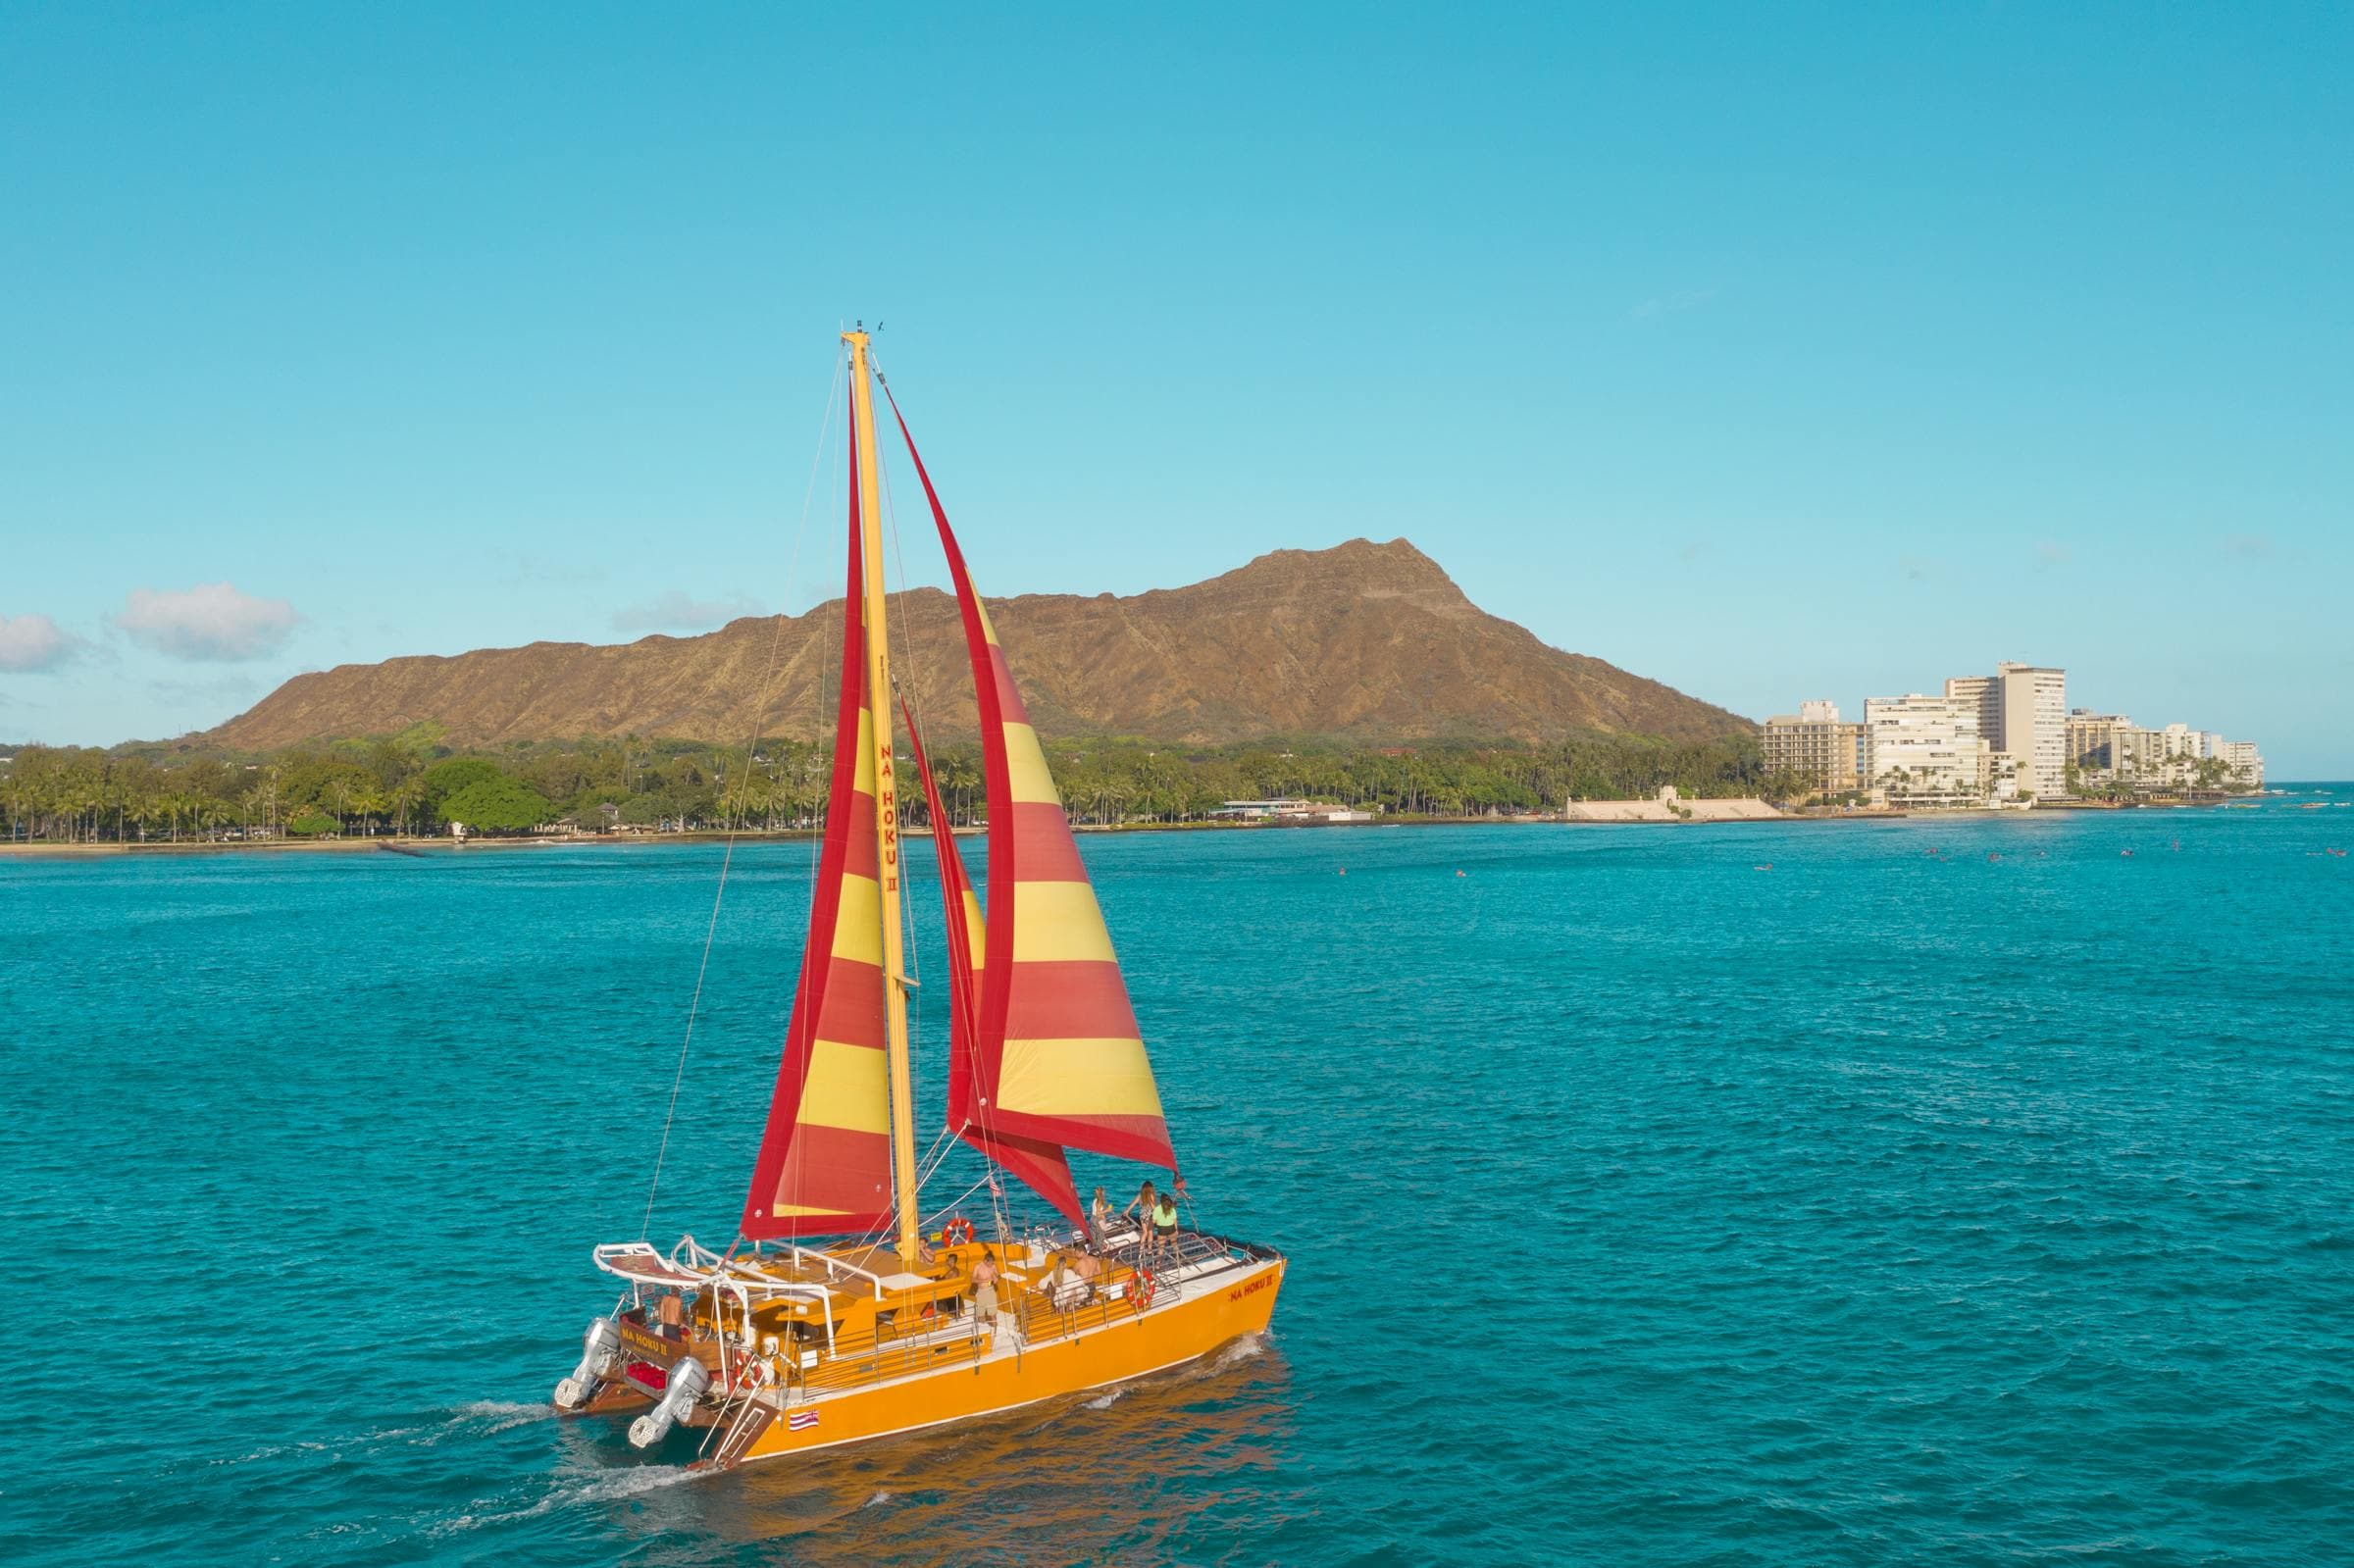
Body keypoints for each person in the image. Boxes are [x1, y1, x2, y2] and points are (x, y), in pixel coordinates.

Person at [968, 1250, 1001, 1340]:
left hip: (990, 1290)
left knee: (992, 1314)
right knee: (981, 1314)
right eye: (990, 1263)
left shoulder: (993, 1266)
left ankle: (995, 1334)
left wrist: (996, 1278)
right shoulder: (978, 1267)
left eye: (993, 1263)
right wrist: (984, 1281)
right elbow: (973, 1280)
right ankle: (982, 1334)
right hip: (981, 1291)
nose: (992, 1265)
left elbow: (998, 1276)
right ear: (986, 1261)